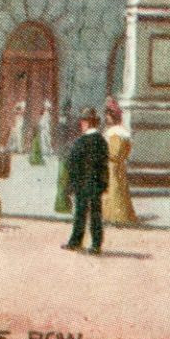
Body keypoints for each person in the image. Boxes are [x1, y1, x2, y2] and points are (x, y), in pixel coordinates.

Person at [63, 108, 110, 254]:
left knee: (80, 214)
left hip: (82, 184)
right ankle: (96, 245)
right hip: (96, 184)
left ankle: (75, 242)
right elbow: (104, 165)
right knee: (96, 214)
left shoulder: (80, 142)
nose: (81, 124)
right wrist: (104, 184)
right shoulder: (102, 141)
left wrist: (70, 186)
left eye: (82, 121)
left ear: (86, 123)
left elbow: (72, 165)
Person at [102, 105, 137, 226]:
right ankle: (123, 214)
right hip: (121, 166)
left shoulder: (113, 133)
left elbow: (113, 153)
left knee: (113, 190)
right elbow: (127, 150)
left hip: (112, 166)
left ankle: (115, 215)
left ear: (113, 117)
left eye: (108, 116)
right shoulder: (124, 133)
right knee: (121, 190)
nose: (107, 119)